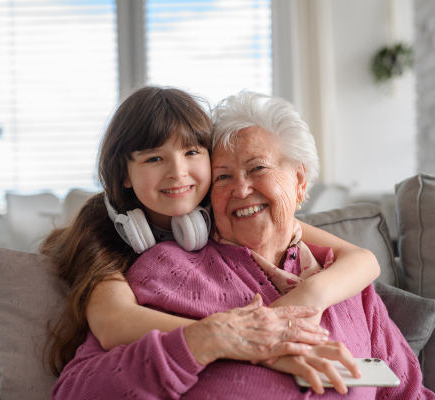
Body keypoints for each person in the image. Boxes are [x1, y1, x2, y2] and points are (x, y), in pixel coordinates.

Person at [43, 87, 411, 398]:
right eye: (223, 176)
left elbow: (409, 390)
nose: (241, 189)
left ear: (300, 181)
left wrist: (308, 297)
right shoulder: (159, 270)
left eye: (258, 168)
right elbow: (82, 380)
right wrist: (208, 340)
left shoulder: (345, 280)